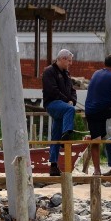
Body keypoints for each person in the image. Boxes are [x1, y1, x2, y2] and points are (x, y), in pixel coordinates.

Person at [41, 49, 77, 177]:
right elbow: (52, 91)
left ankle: (53, 166)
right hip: (52, 103)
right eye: (69, 60)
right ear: (62, 59)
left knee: (55, 134)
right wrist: (68, 102)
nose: (70, 63)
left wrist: (72, 100)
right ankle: (66, 134)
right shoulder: (49, 71)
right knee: (70, 110)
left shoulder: (67, 74)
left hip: (63, 105)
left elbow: (73, 90)